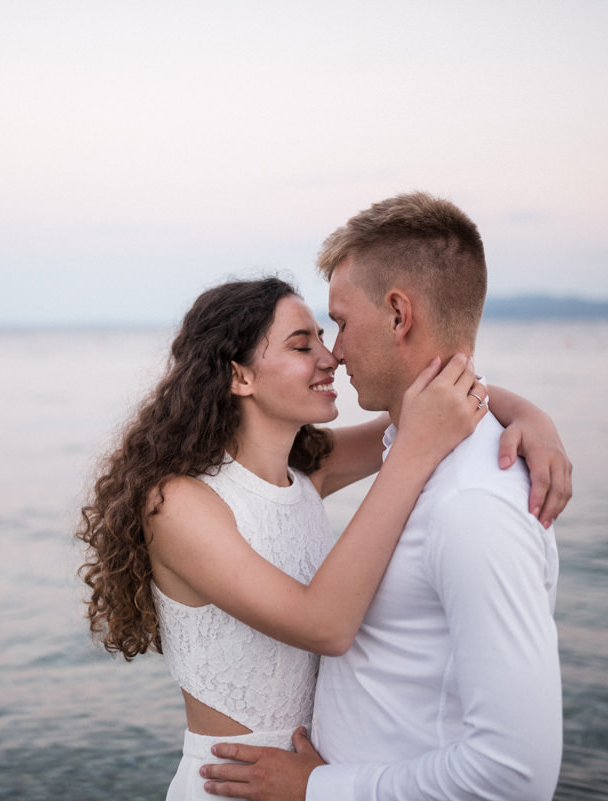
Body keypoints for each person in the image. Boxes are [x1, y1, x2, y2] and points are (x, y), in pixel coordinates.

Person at [76, 276, 571, 801]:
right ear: (239, 375)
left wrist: (531, 418)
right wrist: (416, 450)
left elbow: (436, 407)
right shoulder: (177, 504)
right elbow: (325, 625)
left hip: (311, 781)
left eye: (324, 334)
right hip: (232, 785)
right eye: (301, 344)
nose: (330, 357)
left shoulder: (308, 470)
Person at [200, 193, 565, 800]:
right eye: (307, 341)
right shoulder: (410, 450)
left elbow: (515, 776)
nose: (333, 353)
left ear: (399, 314)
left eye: (339, 323)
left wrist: (319, 789)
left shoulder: (472, 503)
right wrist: (523, 408)